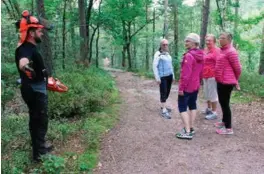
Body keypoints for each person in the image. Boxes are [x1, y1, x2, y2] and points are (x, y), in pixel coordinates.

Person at [15, 10, 53, 162]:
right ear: (31, 33)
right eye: (39, 31)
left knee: (38, 119)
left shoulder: (30, 47)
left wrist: (47, 79)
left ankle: (40, 148)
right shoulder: (25, 49)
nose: (42, 33)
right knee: (39, 120)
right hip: (34, 90)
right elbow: (23, 61)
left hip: (37, 87)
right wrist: (25, 67)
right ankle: (39, 155)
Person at [176, 33, 204, 140]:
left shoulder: (189, 56)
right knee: (192, 105)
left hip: (187, 87)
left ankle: (187, 132)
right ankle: (191, 128)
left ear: (194, 43)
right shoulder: (201, 55)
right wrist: (199, 83)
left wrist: (181, 88)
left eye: (188, 41)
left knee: (182, 107)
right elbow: (201, 72)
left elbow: (185, 75)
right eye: (186, 40)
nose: (185, 42)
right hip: (195, 86)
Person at [214, 32, 242, 135]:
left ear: (229, 40)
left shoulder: (231, 51)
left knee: (225, 104)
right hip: (220, 81)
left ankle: (228, 128)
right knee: (222, 102)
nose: (220, 39)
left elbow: (238, 68)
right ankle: (224, 121)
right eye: (220, 37)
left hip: (226, 82)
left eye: (223, 38)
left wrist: (235, 80)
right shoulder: (222, 50)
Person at [153, 39, 175, 119]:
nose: (165, 46)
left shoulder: (168, 55)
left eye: (166, 44)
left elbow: (171, 66)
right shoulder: (158, 54)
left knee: (168, 92)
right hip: (162, 77)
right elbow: (155, 66)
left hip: (169, 76)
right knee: (163, 92)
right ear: (161, 45)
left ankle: (163, 106)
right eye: (164, 44)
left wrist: (173, 76)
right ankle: (164, 110)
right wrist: (157, 78)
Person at [202, 34, 220, 120]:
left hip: (213, 75)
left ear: (214, 41)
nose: (208, 42)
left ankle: (214, 112)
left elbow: (219, 64)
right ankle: (208, 109)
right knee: (206, 93)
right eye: (207, 40)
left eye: (210, 40)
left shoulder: (217, 51)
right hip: (204, 74)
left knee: (213, 94)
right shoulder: (205, 50)